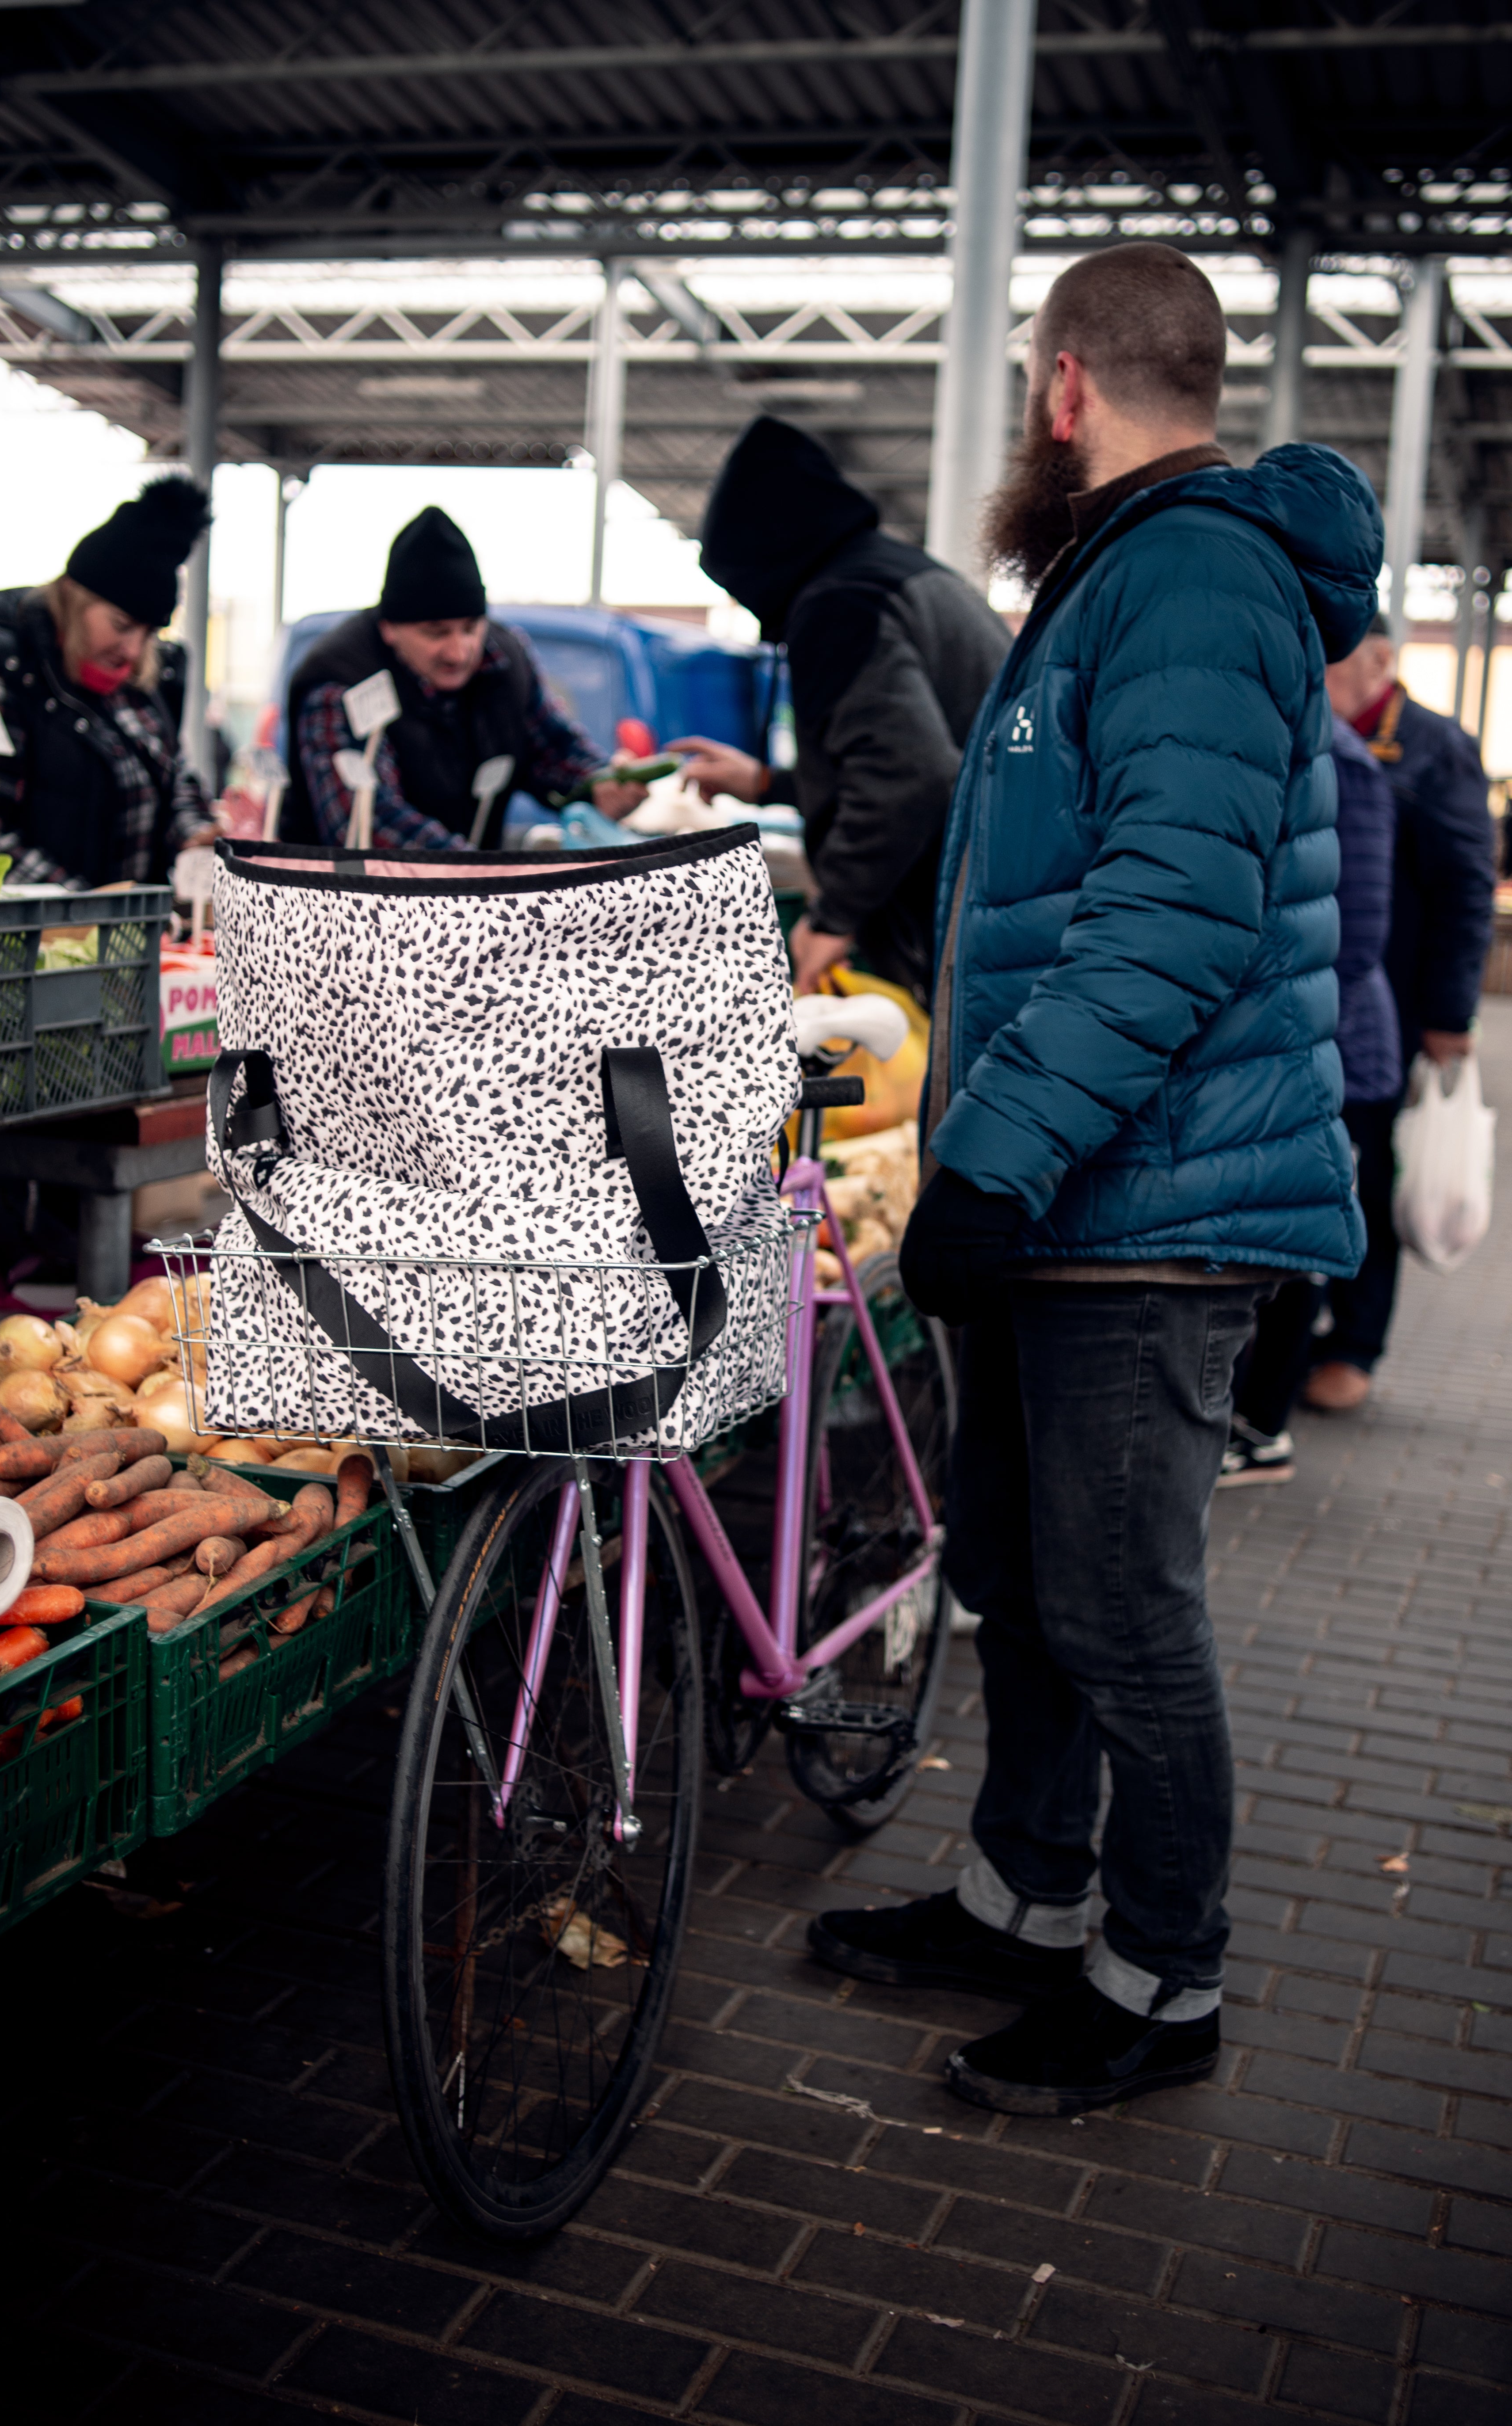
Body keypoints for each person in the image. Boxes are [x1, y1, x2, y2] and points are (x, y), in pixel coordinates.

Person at [807, 242, 1380, 2116]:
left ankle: (1158, 1984)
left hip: (1145, 1209)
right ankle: (1020, 1898)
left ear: (1062, 384)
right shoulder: (1117, 576)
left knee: (1123, 1607)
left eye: (1022, 388)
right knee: (1029, 1587)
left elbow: (1170, 914)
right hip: (1075, 1197)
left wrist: (992, 1152)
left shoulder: (1194, 576)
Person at [670, 416, 1009, 1003]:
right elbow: (895, 755)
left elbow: (911, 774)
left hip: (969, 918)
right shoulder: (901, 573)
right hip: (1007, 894)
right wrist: (765, 782)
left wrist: (835, 917)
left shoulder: (841, 606)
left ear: (759, 554)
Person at [1304, 614, 1496, 1409]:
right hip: (1324, 999)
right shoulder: (1310, 730)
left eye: (1335, 658)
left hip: (1393, 1002)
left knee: (1371, 1178)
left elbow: (1464, 890)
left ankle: (1354, 1343)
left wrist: (1447, 1017)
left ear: (1380, 659)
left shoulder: (1430, 746)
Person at [1220, 713, 1402, 1483]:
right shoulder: (1294, 735)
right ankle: (1254, 1418)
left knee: (1294, 1241)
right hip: (1298, 1043)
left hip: (1332, 1050)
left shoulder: (1346, 764)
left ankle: (1263, 1428)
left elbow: (1354, 938)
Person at [283, 506, 644, 848]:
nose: (459, 652)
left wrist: (599, 782)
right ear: (389, 628)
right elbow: (366, 821)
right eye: (436, 633)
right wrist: (473, 874)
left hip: (470, 898)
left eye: (471, 628)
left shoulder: (505, 661)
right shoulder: (340, 681)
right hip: (348, 903)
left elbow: (551, 747)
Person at [0, 477, 215, 885]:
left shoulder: (138, 688)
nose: (133, 650)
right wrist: (81, 910)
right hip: (4, 943)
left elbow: (174, 775)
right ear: (76, 600)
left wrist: (195, 836)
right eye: (122, 625)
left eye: (149, 634)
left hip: (114, 938)